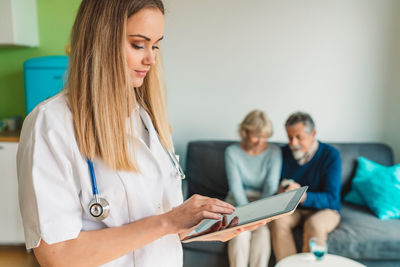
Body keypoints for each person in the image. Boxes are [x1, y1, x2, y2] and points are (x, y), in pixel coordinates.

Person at [16, 1, 264, 266]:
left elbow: (159, 225)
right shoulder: (51, 125)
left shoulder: (147, 119)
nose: (151, 59)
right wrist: (167, 222)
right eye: (138, 44)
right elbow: (57, 255)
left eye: (155, 45)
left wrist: (202, 227)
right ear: (100, 41)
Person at [269, 112, 342, 262]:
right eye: (289, 137)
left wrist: (303, 196)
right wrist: (282, 190)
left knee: (314, 225)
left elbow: (333, 199)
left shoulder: (331, 155)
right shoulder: (282, 153)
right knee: (278, 221)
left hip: (324, 210)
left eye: (299, 137)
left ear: (313, 134)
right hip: (293, 209)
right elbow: (276, 185)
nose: (293, 143)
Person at [225, 110, 282, 267]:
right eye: (256, 136)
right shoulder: (232, 152)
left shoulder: (274, 152)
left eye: (264, 137)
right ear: (245, 132)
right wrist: (246, 213)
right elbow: (235, 187)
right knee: (240, 235)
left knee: (263, 234)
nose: (260, 142)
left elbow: (271, 184)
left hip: (264, 202)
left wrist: (260, 212)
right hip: (238, 202)